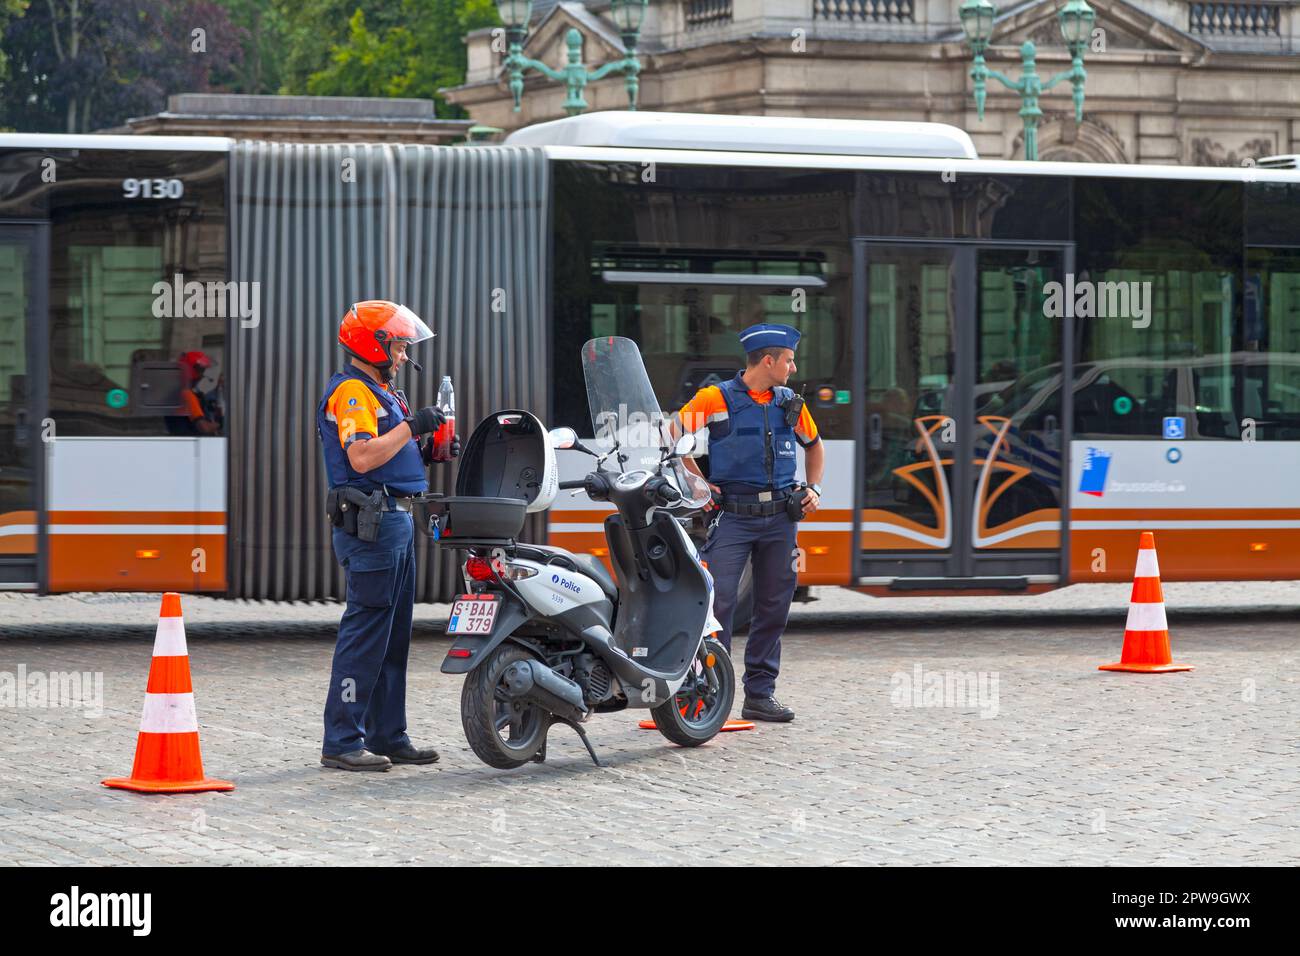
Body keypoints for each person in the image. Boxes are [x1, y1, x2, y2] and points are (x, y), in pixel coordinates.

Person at [315, 300, 459, 771]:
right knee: (365, 632)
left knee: (394, 636)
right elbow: (361, 457)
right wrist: (412, 425)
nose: (402, 355)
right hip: (372, 524)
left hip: (395, 520)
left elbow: (394, 453)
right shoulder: (354, 393)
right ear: (371, 344)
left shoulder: (383, 391)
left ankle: (387, 735)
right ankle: (341, 741)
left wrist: (431, 446)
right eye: (397, 346)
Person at [670, 323, 824, 722]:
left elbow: (815, 445)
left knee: (774, 606)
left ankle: (760, 694)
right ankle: (706, 695)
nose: (793, 367)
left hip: (780, 520)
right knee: (715, 607)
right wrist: (699, 483)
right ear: (769, 361)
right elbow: (673, 435)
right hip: (733, 519)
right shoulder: (715, 398)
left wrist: (815, 489)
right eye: (789, 360)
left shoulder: (789, 400)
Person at [165, 351, 221, 436]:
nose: (202, 375)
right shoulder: (187, 395)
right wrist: (221, 423)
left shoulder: (175, 392)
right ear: (192, 370)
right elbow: (204, 428)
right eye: (201, 370)